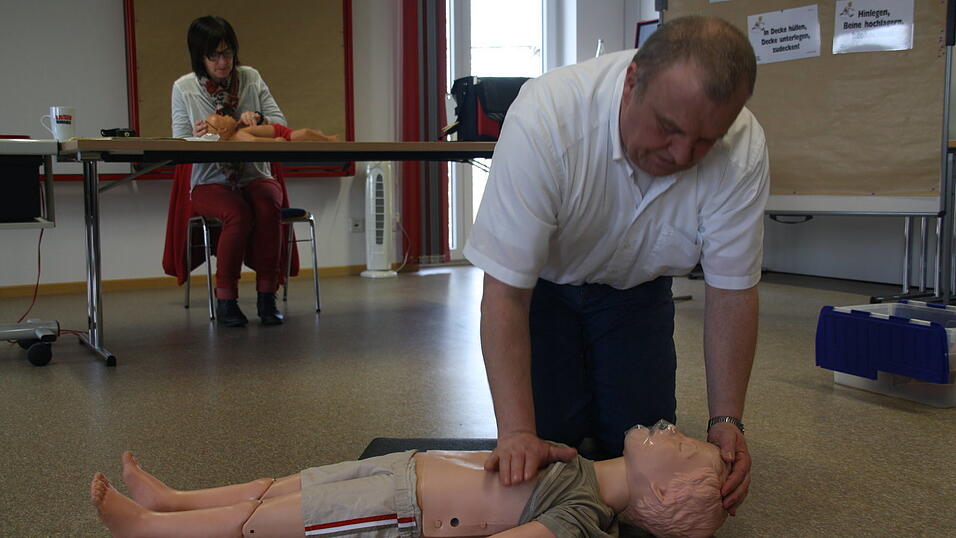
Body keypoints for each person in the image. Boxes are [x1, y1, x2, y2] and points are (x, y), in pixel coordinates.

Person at [461, 15, 767, 517]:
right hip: (544, 291)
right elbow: (505, 295)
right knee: (548, 452)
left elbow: (732, 292)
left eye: (706, 140)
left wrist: (727, 419)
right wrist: (517, 432)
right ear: (631, 83)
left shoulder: (744, 149)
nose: (683, 154)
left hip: (637, 295)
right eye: (669, 128)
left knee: (643, 455)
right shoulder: (547, 117)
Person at [91, 420, 729, 538]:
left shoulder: (584, 517)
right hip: (400, 471)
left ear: (663, 492)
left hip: (398, 512)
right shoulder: (579, 461)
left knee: (264, 522)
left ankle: (148, 528)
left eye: (681, 445)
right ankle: (174, 501)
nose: (671, 427)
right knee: (280, 487)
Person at [171, 15, 292, 327]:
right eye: (213, 56)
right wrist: (193, 137)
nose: (222, 62)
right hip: (210, 180)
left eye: (227, 53)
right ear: (200, 57)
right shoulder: (184, 88)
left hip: (253, 173)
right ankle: (226, 298)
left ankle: (267, 295)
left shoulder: (250, 78)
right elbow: (177, 142)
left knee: (267, 204)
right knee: (237, 212)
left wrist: (260, 119)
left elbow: (281, 124)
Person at [202, 112, 339, 142]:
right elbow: (255, 142)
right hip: (282, 135)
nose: (227, 115)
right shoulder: (238, 136)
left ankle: (323, 137)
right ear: (222, 130)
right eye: (223, 118)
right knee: (303, 133)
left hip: (281, 131)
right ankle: (328, 139)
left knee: (304, 133)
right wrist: (275, 142)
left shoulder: (238, 131)